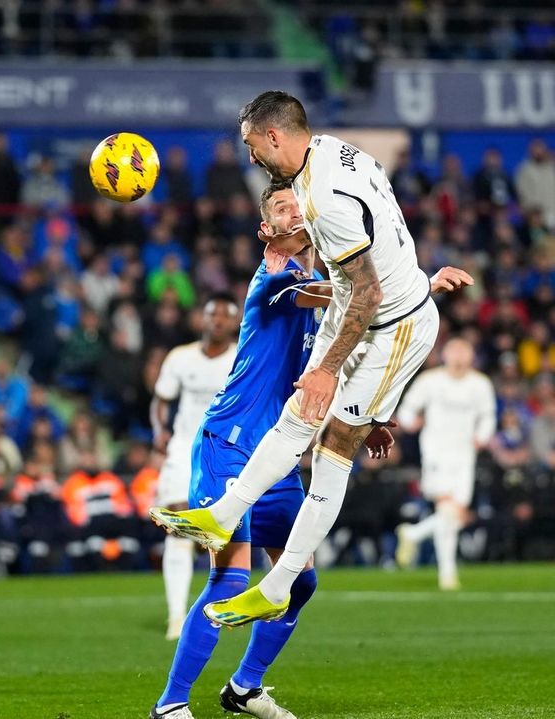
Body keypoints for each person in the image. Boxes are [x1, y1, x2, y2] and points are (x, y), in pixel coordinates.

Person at [150, 183, 474, 719]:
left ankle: (244, 688)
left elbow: (345, 352)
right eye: (281, 208)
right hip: (230, 445)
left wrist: (368, 420)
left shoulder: (328, 290)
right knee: (230, 576)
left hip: (279, 457)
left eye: (297, 204)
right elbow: (349, 300)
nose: (294, 210)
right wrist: (417, 291)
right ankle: (171, 703)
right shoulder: (274, 282)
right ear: (267, 230)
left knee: (300, 581)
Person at [152, 90, 456, 628]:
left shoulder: (325, 198)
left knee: (336, 440)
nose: (250, 158)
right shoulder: (337, 152)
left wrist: (329, 370)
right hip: (362, 312)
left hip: (390, 328)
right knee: (300, 418)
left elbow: (370, 293)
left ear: (274, 135)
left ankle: (279, 583)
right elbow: (376, 246)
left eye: (250, 145)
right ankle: (223, 517)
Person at [150, 295, 239, 640]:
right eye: (212, 313)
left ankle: (224, 610)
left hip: (226, 452)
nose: (217, 320)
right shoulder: (180, 357)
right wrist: (159, 430)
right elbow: (161, 399)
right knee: (178, 525)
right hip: (184, 450)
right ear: (201, 319)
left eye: (225, 315)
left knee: (229, 534)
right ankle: (176, 617)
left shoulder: (241, 357)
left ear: (234, 323)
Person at [395, 337, 496, 590]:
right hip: (436, 453)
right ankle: (447, 575)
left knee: (455, 514)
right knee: (448, 510)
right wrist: (411, 423)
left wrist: (481, 438)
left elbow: (487, 416)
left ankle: (413, 534)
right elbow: (407, 410)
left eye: (465, 351)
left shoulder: (480, 384)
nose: (460, 357)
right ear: (446, 355)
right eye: (455, 351)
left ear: (472, 356)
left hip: (465, 454)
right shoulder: (430, 381)